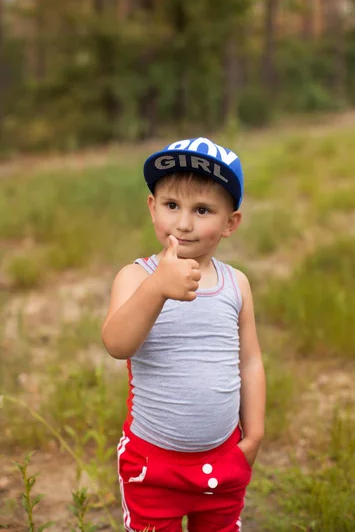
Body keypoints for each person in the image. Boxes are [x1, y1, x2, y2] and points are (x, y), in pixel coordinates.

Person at [102, 137, 266, 532]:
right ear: (152, 207)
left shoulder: (235, 284)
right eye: (172, 205)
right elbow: (117, 344)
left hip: (223, 459)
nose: (184, 223)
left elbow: (250, 360)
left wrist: (255, 433)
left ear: (230, 223)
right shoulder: (136, 276)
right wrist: (158, 287)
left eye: (203, 210)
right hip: (153, 463)